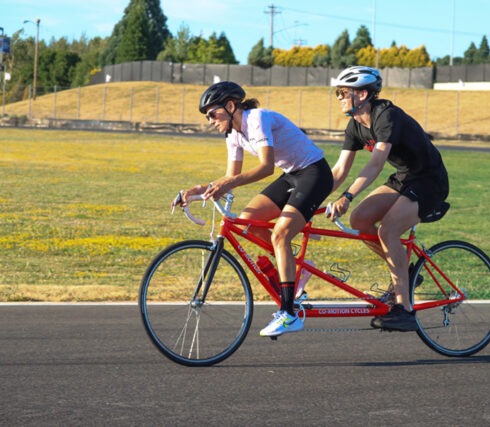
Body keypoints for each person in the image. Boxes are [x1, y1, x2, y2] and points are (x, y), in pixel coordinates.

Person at [179, 81, 333, 337]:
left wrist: (226, 183)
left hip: (314, 172)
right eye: (207, 117)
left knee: (280, 234)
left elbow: (266, 167)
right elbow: (231, 177)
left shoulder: (256, 119)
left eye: (212, 114)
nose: (210, 121)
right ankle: (299, 269)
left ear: (230, 106)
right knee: (246, 223)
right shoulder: (233, 136)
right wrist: (194, 190)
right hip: (292, 174)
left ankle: (288, 314)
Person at [327, 66, 450, 331]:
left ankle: (404, 310)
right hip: (405, 177)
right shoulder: (354, 126)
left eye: (343, 92)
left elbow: (376, 164)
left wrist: (348, 195)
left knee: (388, 231)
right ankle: (405, 273)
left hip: (430, 180)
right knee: (360, 219)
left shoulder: (386, 115)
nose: (338, 97)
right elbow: (338, 171)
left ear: (362, 94)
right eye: (337, 92)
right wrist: (311, 199)